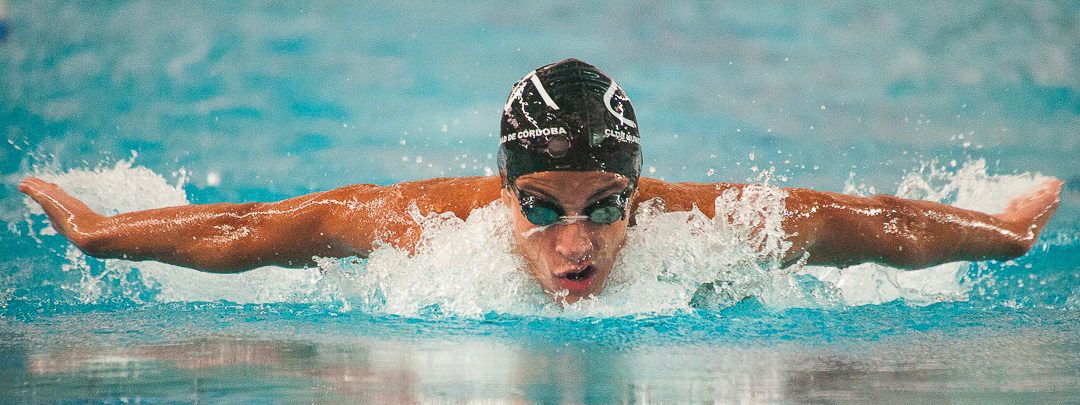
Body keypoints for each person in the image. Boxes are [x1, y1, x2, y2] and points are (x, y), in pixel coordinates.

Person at [19, 59, 1062, 304]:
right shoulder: (426, 232)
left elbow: (875, 228)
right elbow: (247, 230)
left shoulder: (705, 228)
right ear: (501, 190)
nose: (577, 246)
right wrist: (101, 236)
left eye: (607, 209)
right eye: (544, 210)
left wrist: (1005, 231)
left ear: (637, 197)